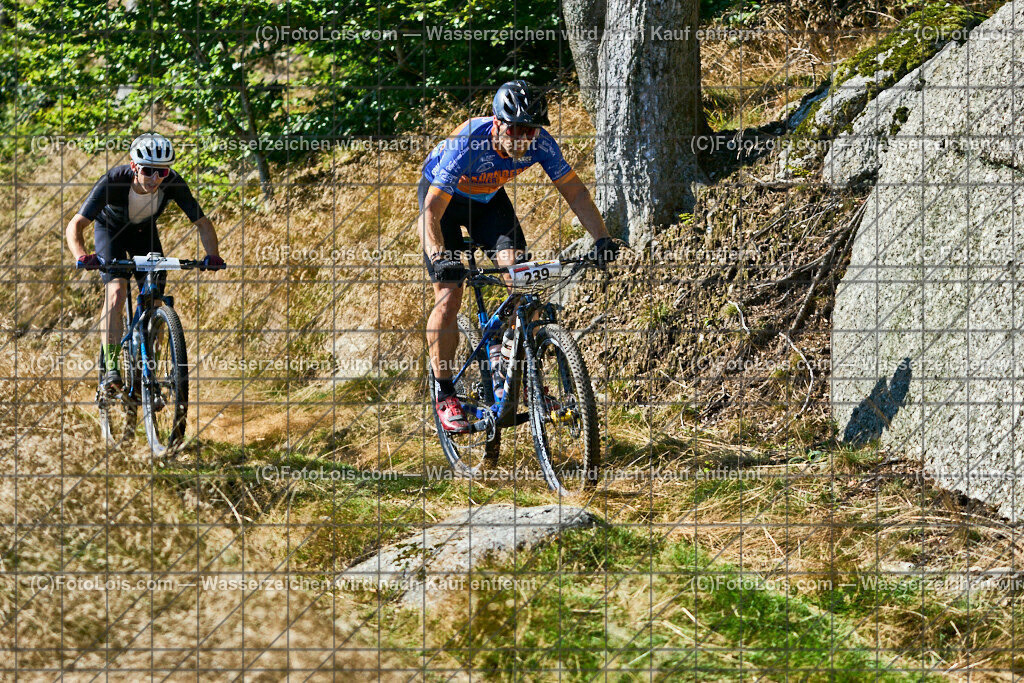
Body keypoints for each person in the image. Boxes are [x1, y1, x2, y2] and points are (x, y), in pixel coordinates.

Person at [417, 80, 620, 432]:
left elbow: (574, 192)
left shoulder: (540, 143)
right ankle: (445, 392)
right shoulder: (469, 141)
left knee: (523, 279)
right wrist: (438, 256)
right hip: (444, 203)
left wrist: (602, 238)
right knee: (449, 294)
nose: (525, 139)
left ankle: (508, 360)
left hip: (487, 203)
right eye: (517, 130)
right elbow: (431, 212)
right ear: (497, 124)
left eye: (531, 130)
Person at [66, 132, 224, 392]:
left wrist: (213, 254)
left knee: (155, 299)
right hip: (111, 232)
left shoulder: (172, 182)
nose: (154, 179)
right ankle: (113, 364)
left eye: (161, 173)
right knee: (117, 292)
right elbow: (76, 224)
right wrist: (82, 256)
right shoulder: (114, 181)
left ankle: (147, 365)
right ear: (134, 167)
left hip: (144, 234)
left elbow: (203, 223)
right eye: (148, 170)